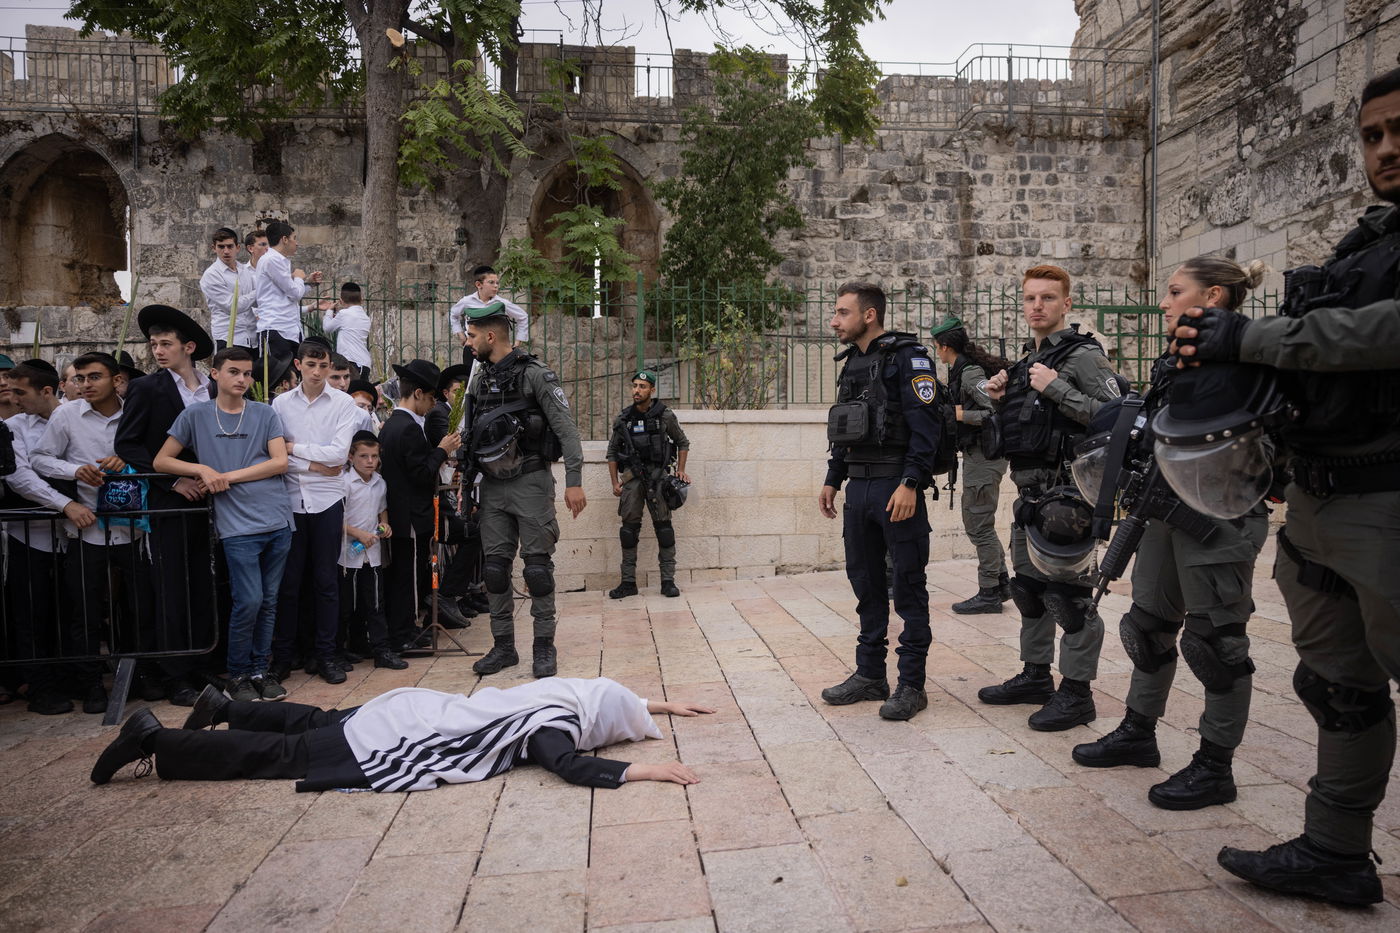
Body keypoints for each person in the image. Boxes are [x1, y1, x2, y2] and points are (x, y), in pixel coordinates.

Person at [1179, 69, 1400, 907]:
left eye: (1398, 130)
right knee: (1335, 683)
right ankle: (1336, 849)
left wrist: (1258, 335)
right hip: (1320, 496)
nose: (1386, 148)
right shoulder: (1366, 243)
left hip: (1391, 500)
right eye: (1372, 135)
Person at [1070, 257, 1271, 812]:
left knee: (1216, 645)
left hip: (1218, 518)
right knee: (1148, 627)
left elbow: (1271, 436)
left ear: (1213, 298)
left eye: (1175, 292)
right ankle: (1139, 732)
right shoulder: (1173, 358)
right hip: (1164, 507)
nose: (1163, 302)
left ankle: (1215, 765)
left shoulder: (1251, 354)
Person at [91, 677, 712, 791]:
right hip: (398, 737)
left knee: (319, 721)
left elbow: (616, 700)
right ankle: (155, 740)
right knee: (286, 756)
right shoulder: (554, 727)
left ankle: (226, 705)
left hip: (411, 707)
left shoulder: (563, 694)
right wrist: (641, 770)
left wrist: (665, 705)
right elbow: (570, 765)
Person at [975, 265, 1123, 731]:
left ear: (1067, 304)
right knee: (1029, 591)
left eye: (1047, 298)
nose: (1037, 306)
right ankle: (1036, 675)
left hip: (1068, 499)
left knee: (1071, 599)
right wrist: (1001, 397)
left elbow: (1117, 419)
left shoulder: (1082, 357)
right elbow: (1027, 425)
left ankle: (1077, 693)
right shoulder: (1025, 362)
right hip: (1030, 497)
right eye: (1030, 299)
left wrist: (1056, 389)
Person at [816, 282, 941, 722]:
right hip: (859, 490)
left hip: (894, 485)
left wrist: (911, 482)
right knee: (866, 585)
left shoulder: (910, 358)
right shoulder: (853, 362)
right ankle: (870, 675)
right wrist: (833, 479)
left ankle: (912, 684)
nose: (834, 320)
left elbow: (926, 425)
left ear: (869, 315)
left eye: (842, 312)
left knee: (907, 586)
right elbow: (846, 429)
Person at [155, 347, 293, 703]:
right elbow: (162, 461)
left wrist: (227, 476)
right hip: (236, 526)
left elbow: (278, 462)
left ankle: (262, 669)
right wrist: (200, 469)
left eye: (247, 374)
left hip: (277, 518)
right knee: (248, 600)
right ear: (214, 374)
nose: (242, 380)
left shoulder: (264, 413)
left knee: (270, 601)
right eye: (234, 372)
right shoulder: (196, 415)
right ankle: (239, 673)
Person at [463, 303, 585, 679]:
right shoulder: (479, 380)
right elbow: (471, 436)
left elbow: (566, 429)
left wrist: (575, 481)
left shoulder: (536, 375)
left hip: (531, 481)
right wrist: (468, 487)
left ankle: (543, 648)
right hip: (493, 487)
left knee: (537, 570)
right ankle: (503, 648)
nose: (467, 342)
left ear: (490, 336)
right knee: (496, 570)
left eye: (471, 336)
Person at [31, 352, 149, 716]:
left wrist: (126, 461)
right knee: (84, 610)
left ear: (115, 380)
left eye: (94, 377)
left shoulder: (134, 410)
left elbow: (154, 453)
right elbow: (40, 458)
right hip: (87, 527)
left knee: (139, 606)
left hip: (133, 528)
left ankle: (139, 676)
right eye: (80, 378)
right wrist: (75, 471)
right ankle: (90, 684)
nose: (85, 385)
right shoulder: (66, 414)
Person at [114, 305, 218, 706]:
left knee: (204, 584)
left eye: (166, 344)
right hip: (168, 501)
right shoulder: (147, 389)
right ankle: (176, 674)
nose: (158, 350)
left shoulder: (211, 387)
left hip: (210, 501)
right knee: (172, 587)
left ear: (188, 347)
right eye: (154, 344)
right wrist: (173, 480)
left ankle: (202, 661)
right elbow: (127, 444)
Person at [3, 360, 98, 714]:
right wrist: (65, 504)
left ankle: (75, 674)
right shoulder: (12, 428)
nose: (13, 399)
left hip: (77, 533)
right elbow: (20, 477)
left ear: (46, 391)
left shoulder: (76, 417)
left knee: (74, 609)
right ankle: (41, 685)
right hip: (33, 535)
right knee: (33, 612)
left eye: (20, 392)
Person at [269, 340, 363, 684]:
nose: (318, 372)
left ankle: (326, 654)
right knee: (289, 583)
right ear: (298, 364)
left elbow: (338, 456)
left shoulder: (343, 404)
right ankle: (283, 657)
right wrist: (314, 462)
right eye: (311, 365)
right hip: (290, 500)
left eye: (323, 366)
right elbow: (275, 454)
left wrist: (296, 453)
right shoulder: (280, 404)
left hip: (326, 501)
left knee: (326, 582)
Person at [379, 359, 465, 652]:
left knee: (405, 576)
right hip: (411, 517)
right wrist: (442, 449)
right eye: (430, 398)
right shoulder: (408, 428)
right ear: (417, 393)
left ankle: (406, 630)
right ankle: (405, 634)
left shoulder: (394, 424)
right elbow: (421, 473)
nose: (431, 405)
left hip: (404, 514)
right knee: (409, 580)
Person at [930, 319, 1011, 614]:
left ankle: (989, 592)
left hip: (985, 456)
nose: (936, 352)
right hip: (979, 456)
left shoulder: (970, 373)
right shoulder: (960, 370)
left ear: (944, 346)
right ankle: (1001, 583)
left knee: (978, 525)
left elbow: (994, 409)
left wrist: (957, 414)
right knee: (981, 523)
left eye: (936, 347)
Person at [606, 370, 691, 599]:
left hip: (658, 478)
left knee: (664, 530)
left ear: (652, 390)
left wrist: (681, 470)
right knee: (628, 532)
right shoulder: (623, 419)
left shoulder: (664, 415)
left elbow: (682, 442)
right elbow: (612, 453)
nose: (637, 390)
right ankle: (628, 583)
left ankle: (667, 581)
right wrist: (615, 483)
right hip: (633, 480)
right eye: (634, 386)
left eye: (642, 386)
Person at [338, 431, 406, 670]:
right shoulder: (344, 483)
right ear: (350, 457)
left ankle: (381, 650)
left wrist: (384, 525)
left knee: (376, 603)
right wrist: (358, 534)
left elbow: (382, 510)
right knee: (346, 605)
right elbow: (335, 520)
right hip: (347, 555)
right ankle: (341, 650)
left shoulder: (380, 483)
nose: (369, 461)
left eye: (374, 456)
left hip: (372, 554)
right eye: (363, 456)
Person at [254, 220, 321, 359]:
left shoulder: (279, 260)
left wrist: (307, 283)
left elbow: (286, 293)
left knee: (292, 376)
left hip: (289, 327)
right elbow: (295, 293)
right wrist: (298, 276)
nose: (296, 243)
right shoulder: (271, 260)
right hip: (276, 327)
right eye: (294, 238)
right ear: (284, 239)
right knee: (276, 376)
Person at [450, 265, 529, 364]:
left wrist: (518, 342)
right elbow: (453, 314)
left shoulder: (501, 303)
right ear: (479, 284)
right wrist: (461, 334)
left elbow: (523, 317)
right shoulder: (467, 301)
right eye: (491, 282)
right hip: (472, 348)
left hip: (495, 350)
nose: (496, 286)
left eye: (497, 283)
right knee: (470, 376)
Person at [199, 226, 259, 351]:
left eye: (230, 246)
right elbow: (233, 306)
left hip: (252, 339)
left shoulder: (244, 270)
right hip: (228, 339)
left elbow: (260, 300)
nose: (226, 251)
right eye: (221, 247)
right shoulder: (211, 275)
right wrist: (259, 291)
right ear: (214, 248)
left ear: (237, 248)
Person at [322, 282, 372, 379]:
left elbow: (327, 328)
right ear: (361, 300)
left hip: (352, 362)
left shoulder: (344, 314)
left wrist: (329, 311)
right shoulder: (366, 317)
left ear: (340, 301)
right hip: (364, 363)